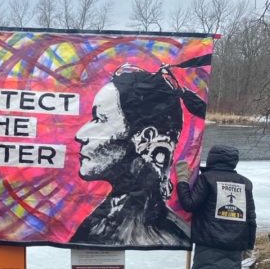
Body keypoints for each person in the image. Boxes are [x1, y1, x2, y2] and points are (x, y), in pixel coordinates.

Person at [70, 62, 207, 248]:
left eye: (99, 119)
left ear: (145, 138)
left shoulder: (153, 232)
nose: (80, 135)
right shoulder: (105, 220)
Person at [176, 145, 257, 269]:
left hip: (210, 240)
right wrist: (249, 244)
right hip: (235, 243)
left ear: (213, 159)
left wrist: (183, 181)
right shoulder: (245, 183)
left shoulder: (207, 179)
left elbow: (190, 204)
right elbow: (251, 218)